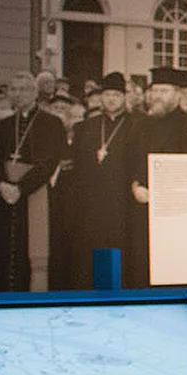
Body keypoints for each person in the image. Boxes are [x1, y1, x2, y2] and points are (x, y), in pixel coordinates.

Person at [128, 65, 187, 285]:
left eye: (164, 91)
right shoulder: (139, 125)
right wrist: (135, 185)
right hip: (142, 212)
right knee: (142, 272)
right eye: (154, 91)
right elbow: (130, 163)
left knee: (174, 276)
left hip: (177, 215)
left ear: (177, 95)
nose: (157, 96)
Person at [55, 70, 139, 288]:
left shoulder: (136, 126)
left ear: (124, 98)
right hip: (90, 209)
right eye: (108, 95)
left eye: (116, 95)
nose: (111, 99)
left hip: (122, 208)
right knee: (87, 264)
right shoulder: (85, 128)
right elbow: (73, 171)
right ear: (101, 97)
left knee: (120, 263)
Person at [0, 69, 66, 291]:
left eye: (23, 90)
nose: (17, 94)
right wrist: (1, 183)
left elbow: (49, 163)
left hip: (33, 196)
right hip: (4, 200)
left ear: (34, 92)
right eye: (13, 89)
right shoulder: (2, 126)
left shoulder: (52, 124)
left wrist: (21, 188)